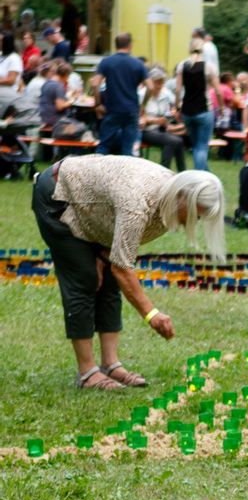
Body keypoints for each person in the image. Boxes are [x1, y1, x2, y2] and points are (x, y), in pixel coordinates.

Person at [32, 155, 225, 389]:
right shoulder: (138, 200)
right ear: (184, 198)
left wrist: (103, 255)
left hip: (94, 211)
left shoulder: (168, 200)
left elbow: (116, 240)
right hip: (59, 194)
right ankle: (87, 373)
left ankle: (110, 365)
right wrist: (152, 314)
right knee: (85, 280)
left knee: (109, 281)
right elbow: (122, 268)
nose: (197, 220)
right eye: (197, 214)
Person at [93, 33, 147, 156]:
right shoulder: (138, 63)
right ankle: (125, 169)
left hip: (112, 109)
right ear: (130, 45)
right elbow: (150, 86)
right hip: (131, 110)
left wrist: (98, 104)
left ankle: (97, 167)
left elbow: (95, 84)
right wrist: (143, 105)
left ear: (115, 45)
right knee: (128, 149)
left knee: (104, 146)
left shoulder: (106, 62)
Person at [175, 37, 221, 171]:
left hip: (187, 111)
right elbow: (218, 91)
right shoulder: (209, 66)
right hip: (204, 110)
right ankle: (199, 177)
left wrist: (178, 106)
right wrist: (222, 107)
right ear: (203, 50)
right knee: (201, 147)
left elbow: (178, 89)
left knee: (196, 146)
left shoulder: (182, 65)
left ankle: (208, 175)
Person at [139, 68, 186, 171]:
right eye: (157, 83)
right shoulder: (141, 95)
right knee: (172, 141)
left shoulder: (165, 93)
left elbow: (174, 107)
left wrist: (173, 112)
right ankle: (163, 172)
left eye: (162, 83)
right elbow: (139, 119)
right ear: (150, 82)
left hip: (161, 128)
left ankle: (182, 172)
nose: (160, 86)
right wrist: (156, 121)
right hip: (146, 130)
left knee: (179, 141)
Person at [38, 60, 71, 129]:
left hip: (43, 117)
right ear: (66, 75)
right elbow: (60, 107)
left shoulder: (46, 83)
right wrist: (71, 101)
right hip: (55, 120)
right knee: (79, 126)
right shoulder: (58, 86)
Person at [0, 33, 23, 114]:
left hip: (8, 98)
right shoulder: (1, 55)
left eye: (0, 41)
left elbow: (11, 80)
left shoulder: (14, 58)